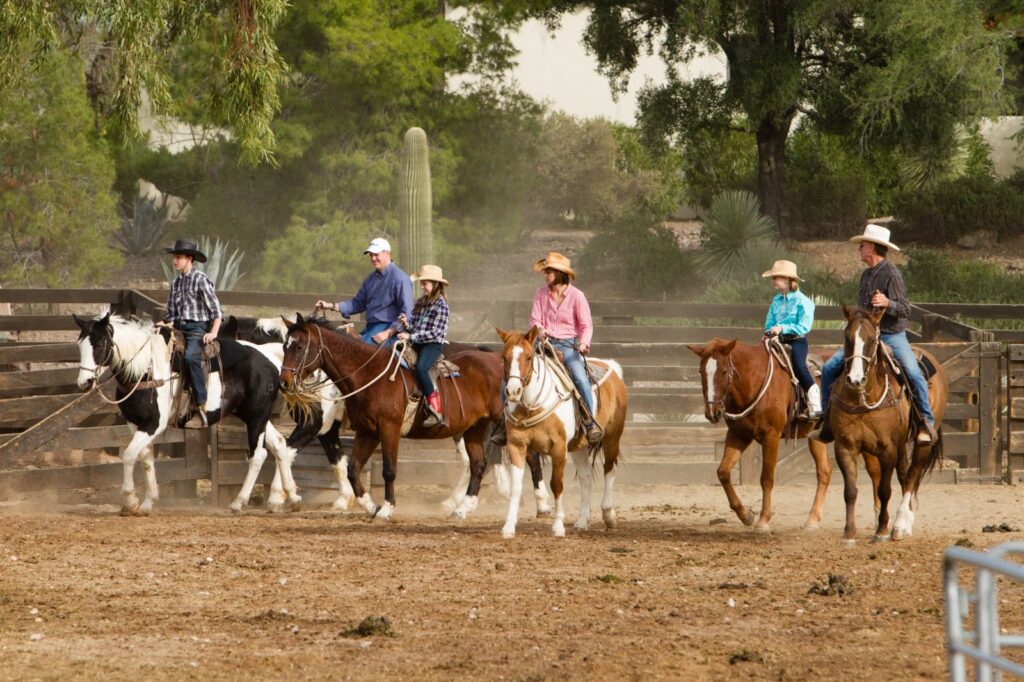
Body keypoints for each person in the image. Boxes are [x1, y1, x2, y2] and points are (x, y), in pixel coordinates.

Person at [814, 224, 937, 445]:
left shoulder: (892, 273)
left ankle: (925, 422)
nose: (859, 249)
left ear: (871, 247)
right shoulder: (865, 276)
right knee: (829, 368)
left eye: (861, 246)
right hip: (865, 336)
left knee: (913, 372)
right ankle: (827, 420)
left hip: (891, 335)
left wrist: (887, 302)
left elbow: (905, 308)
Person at [531, 252, 602, 445]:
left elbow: (586, 325)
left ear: (560, 273)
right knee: (516, 371)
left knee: (579, 376)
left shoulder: (577, 296)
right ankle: (505, 422)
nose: (546, 275)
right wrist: (540, 330)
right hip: (543, 344)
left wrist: (583, 344)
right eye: (545, 272)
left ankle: (590, 423)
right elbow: (535, 320)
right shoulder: (540, 293)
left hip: (568, 346)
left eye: (549, 271)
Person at [161, 238, 223, 427]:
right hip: (178, 327)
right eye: (174, 257)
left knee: (190, 358)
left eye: (178, 257)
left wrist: (213, 332)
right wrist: (160, 323)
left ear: (189, 258)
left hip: (197, 328)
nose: (174, 261)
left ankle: (200, 401)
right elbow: (171, 313)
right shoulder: (176, 283)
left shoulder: (201, 280)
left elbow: (216, 311)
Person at [315, 237, 413, 346]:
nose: (373, 258)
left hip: (389, 331)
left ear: (387, 253)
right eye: (371, 255)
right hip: (370, 329)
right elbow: (357, 303)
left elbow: (407, 313)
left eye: (376, 254)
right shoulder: (370, 279)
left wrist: (388, 333)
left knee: (354, 352)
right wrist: (330, 306)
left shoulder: (401, 279)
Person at [762, 260, 821, 418]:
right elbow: (769, 323)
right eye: (773, 278)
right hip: (776, 340)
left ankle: (815, 402)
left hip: (796, 340)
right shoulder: (776, 300)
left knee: (799, 365)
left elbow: (804, 326)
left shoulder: (804, 302)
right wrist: (770, 332)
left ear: (787, 280)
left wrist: (782, 328)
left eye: (776, 278)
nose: (773, 281)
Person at [393, 265, 450, 427]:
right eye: (422, 283)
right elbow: (414, 326)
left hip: (432, 345)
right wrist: (406, 324)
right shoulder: (420, 302)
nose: (423, 286)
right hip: (417, 341)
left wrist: (411, 336)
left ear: (435, 284)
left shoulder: (441, 306)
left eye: (425, 283)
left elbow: (435, 333)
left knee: (421, 368)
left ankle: (435, 408)